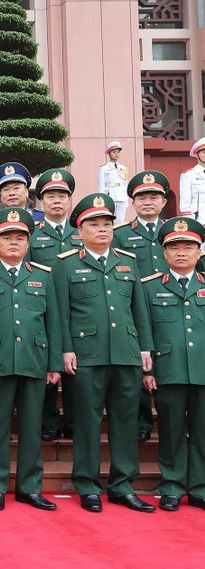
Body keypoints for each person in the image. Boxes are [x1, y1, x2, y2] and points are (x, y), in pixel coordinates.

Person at [52, 193, 155, 513]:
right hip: (87, 354)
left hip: (125, 353)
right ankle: (87, 484)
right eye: (93, 224)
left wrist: (144, 348)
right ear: (79, 230)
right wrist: (65, 349)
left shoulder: (128, 261)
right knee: (86, 422)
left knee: (125, 421)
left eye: (107, 224)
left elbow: (139, 309)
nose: (102, 229)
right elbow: (59, 313)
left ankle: (122, 485)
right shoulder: (65, 264)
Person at [0, 208, 61, 511]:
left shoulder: (43, 276)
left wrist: (54, 364)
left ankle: (29, 487)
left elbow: (54, 322)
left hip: (34, 360)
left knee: (31, 426)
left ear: (28, 243)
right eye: (6, 238)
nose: (14, 243)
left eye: (20, 238)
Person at [141, 217, 205, 511]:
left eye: (188, 246)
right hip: (168, 371)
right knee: (170, 432)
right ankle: (171, 486)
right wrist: (149, 369)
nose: (181, 252)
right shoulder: (150, 287)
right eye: (174, 247)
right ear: (164, 253)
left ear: (199, 251)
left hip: (203, 371)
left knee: (203, 433)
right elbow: (146, 331)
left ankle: (200, 488)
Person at [114, 170, 171, 443]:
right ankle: (141, 421)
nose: (148, 201)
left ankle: (170, 417)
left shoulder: (175, 231)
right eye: (142, 197)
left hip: (171, 308)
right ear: (133, 202)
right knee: (137, 366)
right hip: (134, 309)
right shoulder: (121, 235)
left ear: (163, 201)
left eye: (154, 196)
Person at [30, 169, 82, 441]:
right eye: (50, 196)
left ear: (70, 200)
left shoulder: (82, 234)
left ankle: (73, 421)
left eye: (62, 195)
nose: (57, 200)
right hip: (43, 309)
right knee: (46, 366)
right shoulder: (32, 236)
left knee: (76, 371)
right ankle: (48, 420)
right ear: (41, 201)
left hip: (78, 310)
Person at [97, 141, 129, 224]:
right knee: (109, 221)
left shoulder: (123, 168)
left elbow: (125, 185)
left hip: (121, 197)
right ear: (109, 153)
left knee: (121, 222)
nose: (116, 154)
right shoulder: (104, 168)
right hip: (110, 196)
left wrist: (126, 199)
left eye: (118, 152)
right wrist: (103, 200)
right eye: (114, 152)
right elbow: (101, 186)